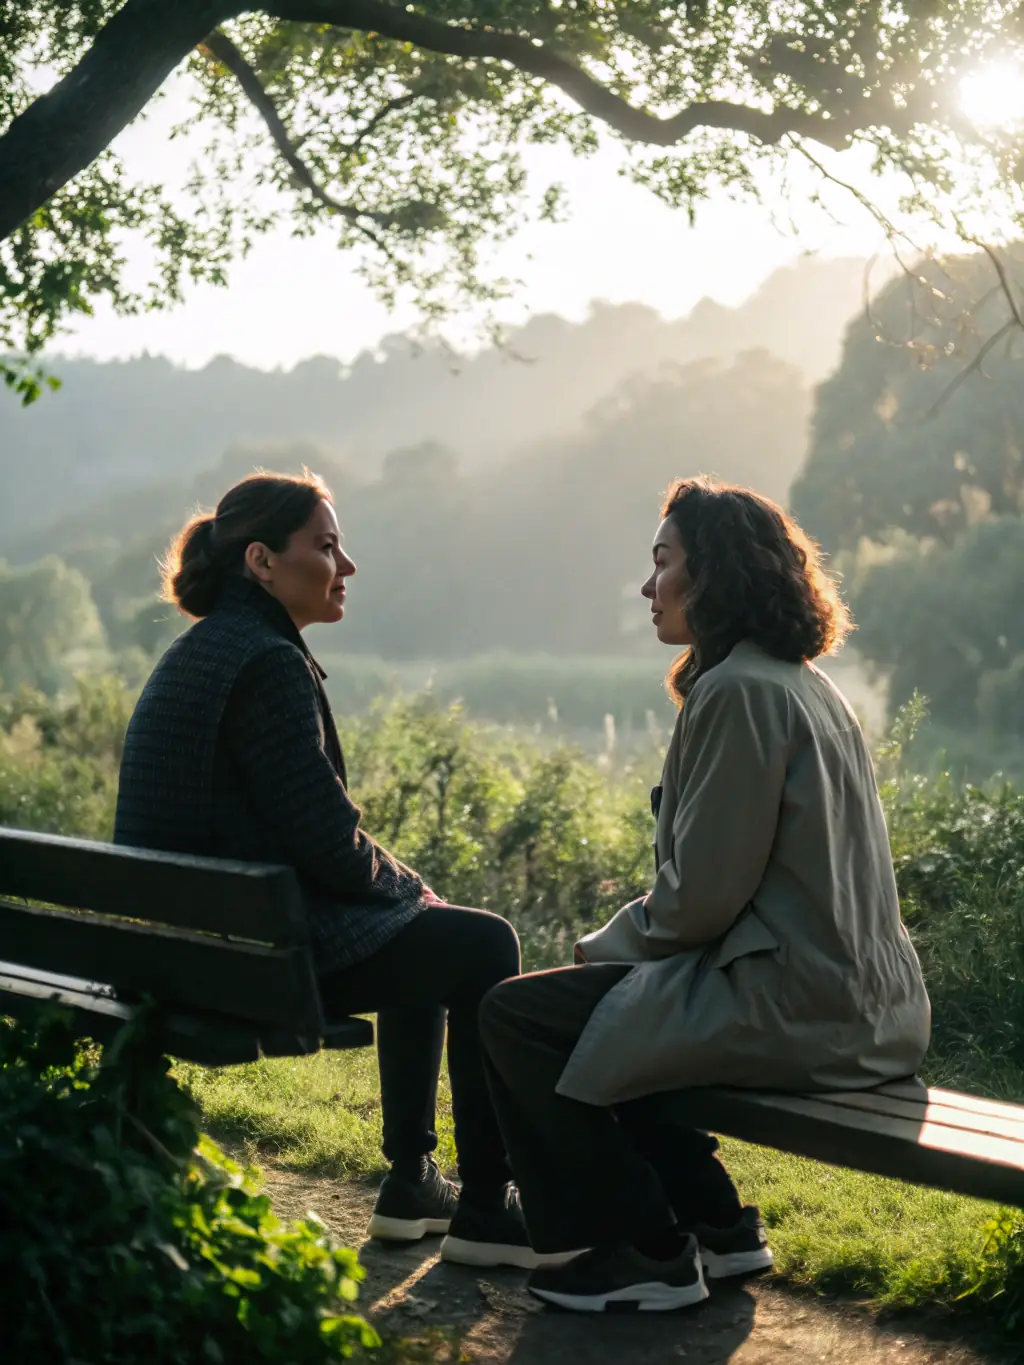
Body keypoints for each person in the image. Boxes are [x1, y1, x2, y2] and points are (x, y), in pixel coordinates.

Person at [479, 475, 931, 1313]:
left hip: (800, 1002)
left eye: (663, 563)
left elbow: (699, 902)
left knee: (518, 1017)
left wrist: (603, 945)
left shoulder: (738, 692)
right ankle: (716, 1224)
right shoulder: (798, 682)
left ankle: (643, 1248)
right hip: (863, 1000)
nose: (649, 587)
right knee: (613, 1008)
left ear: (714, 573)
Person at [114, 470, 561, 1270]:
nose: (345, 564)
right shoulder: (266, 662)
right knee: (482, 944)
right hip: (251, 963)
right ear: (261, 561)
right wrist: (408, 886)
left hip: (198, 950)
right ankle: (487, 1206)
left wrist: (404, 895)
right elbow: (328, 840)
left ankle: (414, 1183)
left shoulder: (200, 652)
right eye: (325, 546)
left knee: (427, 932)